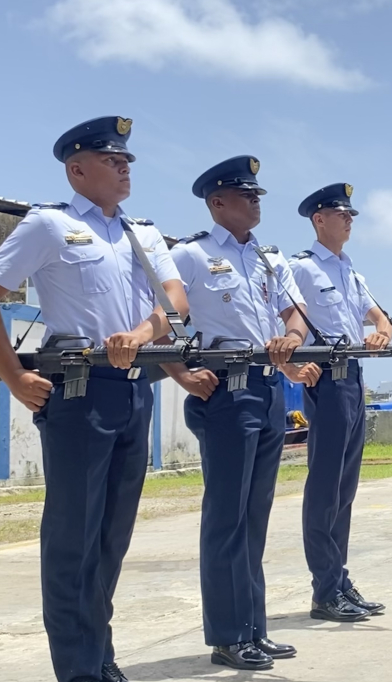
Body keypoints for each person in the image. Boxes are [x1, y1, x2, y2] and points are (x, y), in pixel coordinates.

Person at [0, 116, 189, 682]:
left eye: (127, 161)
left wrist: (142, 335)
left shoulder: (144, 235)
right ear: (77, 169)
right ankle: (79, 669)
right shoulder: (48, 225)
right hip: (79, 393)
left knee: (112, 537)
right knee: (73, 538)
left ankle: (99, 654)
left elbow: (178, 305)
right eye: (112, 160)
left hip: (136, 391)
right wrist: (12, 377)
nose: (124, 167)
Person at [163, 157, 315, 671]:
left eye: (257, 195)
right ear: (217, 202)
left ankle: (254, 627)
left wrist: (292, 340)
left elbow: (294, 313)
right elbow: (156, 317)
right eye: (245, 195)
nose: (256, 202)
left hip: (268, 390)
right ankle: (228, 636)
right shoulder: (190, 255)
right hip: (225, 393)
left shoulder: (269, 260)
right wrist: (181, 374)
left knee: (255, 516)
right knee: (226, 517)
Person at [289, 182, 392, 623]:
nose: (349, 219)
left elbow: (379, 317)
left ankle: (339, 578)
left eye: (351, 214)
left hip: (353, 378)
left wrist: (380, 332)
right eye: (341, 213)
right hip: (326, 381)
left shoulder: (351, 270)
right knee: (325, 487)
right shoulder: (301, 268)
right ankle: (324, 589)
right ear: (318, 219)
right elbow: (284, 316)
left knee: (346, 490)